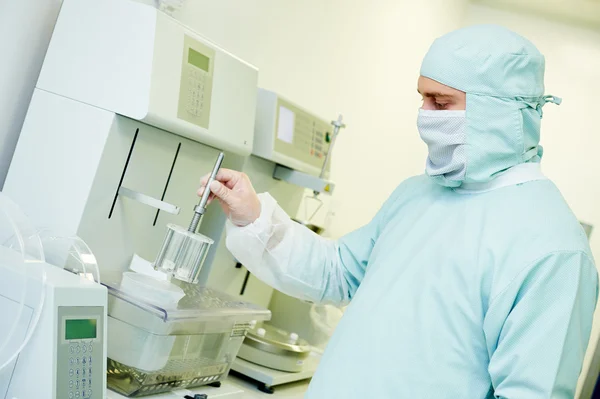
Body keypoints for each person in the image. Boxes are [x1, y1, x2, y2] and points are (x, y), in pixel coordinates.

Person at [199, 25, 598, 398]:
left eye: (441, 103)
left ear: (500, 112)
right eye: (422, 99)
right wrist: (254, 217)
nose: (425, 116)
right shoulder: (418, 194)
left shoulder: (554, 249)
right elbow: (338, 271)